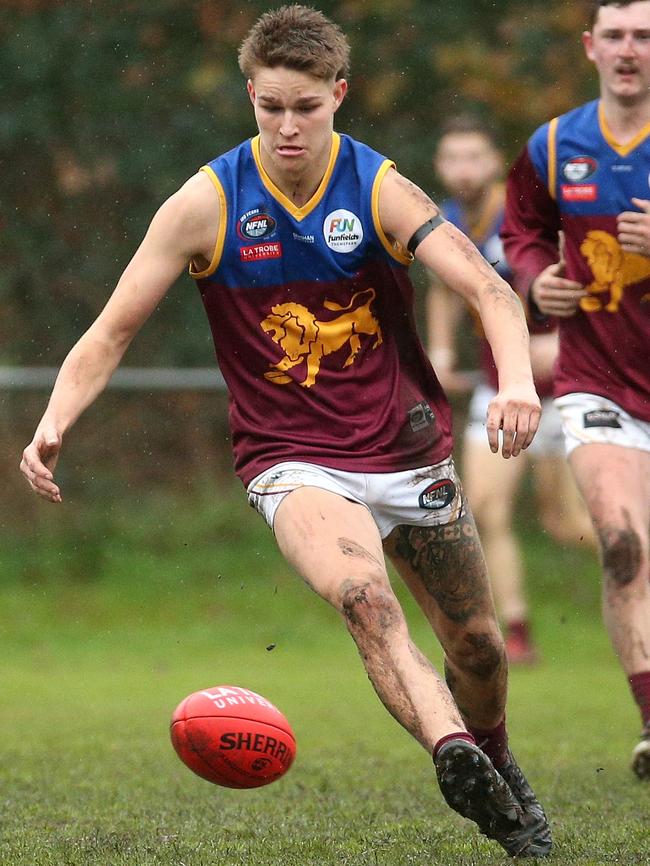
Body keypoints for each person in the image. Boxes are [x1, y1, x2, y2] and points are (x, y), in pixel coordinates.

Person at [20, 5, 551, 854]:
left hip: (407, 451)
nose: (288, 125)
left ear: (339, 94)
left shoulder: (378, 187)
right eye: (270, 107)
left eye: (306, 106)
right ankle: (451, 751)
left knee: (480, 649)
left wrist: (518, 381)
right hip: (293, 461)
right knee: (364, 599)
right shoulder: (207, 201)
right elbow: (112, 329)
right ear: (250, 97)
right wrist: (54, 419)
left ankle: (491, 756)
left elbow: (489, 291)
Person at [502, 0, 650, 779]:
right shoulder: (555, 144)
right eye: (617, 36)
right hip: (600, 383)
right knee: (622, 545)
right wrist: (535, 280)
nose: (630, 50)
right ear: (592, 47)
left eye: (645, 37)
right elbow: (519, 231)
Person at [428, 115, 593, 665]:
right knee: (484, 511)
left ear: (494, 162)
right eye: (452, 159)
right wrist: (443, 350)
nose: (462, 169)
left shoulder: (521, 215)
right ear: (439, 166)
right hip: (498, 389)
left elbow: (588, 272)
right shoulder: (449, 217)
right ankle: (515, 631)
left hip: (560, 388)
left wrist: (567, 339)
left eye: (473, 157)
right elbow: (444, 289)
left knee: (568, 523)